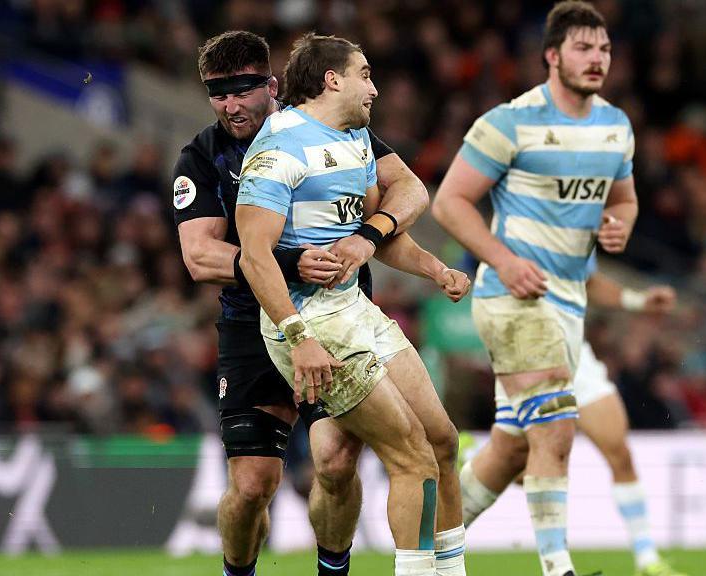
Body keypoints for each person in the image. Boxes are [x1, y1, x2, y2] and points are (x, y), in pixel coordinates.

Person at [172, 31, 444, 576]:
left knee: (337, 462)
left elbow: (410, 189)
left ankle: (333, 570)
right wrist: (287, 260)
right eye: (217, 94)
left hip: (336, 316)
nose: (230, 105)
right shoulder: (202, 156)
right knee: (252, 487)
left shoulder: (328, 129)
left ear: (271, 85)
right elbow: (201, 258)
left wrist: (370, 235)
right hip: (254, 323)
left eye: (243, 90)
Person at [236, 33, 470, 576]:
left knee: (443, 443)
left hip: (353, 307)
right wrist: (300, 339)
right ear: (331, 80)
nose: (376, 87)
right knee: (410, 456)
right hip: (309, 320)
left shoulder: (355, 139)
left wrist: (435, 269)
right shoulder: (280, 148)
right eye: (365, 74)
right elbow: (253, 257)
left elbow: (370, 236)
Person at [432, 3, 638, 576]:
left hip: (570, 305)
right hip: (512, 297)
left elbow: (623, 198)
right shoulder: (509, 121)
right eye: (583, 48)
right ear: (552, 55)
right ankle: (558, 568)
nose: (596, 59)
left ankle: (427, 547)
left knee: (513, 448)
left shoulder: (615, 126)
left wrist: (622, 224)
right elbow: (450, 202)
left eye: (604, 50)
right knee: (555, 423)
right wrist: (503, 258)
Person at [459, 271, 689, 576]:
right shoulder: (521, 231)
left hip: (576, 354)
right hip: (529, 351)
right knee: (514, 464)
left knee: (619, 451)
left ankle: (646, 558)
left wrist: (638, 300)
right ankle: (435, 542)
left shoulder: (580, 230)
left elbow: (588, 279)